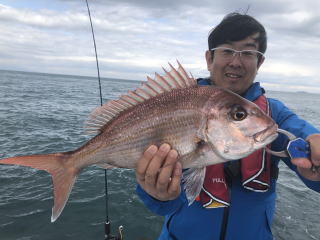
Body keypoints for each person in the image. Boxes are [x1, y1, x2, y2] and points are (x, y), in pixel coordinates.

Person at [135, 13, 320, 240]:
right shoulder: (175, 100)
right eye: (227, 50)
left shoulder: (274, 115)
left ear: (260, 62)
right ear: (209, 58)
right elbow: (162, 208)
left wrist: (316, 165)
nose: (236, 61)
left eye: (248, 52)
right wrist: (158, 196)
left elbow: (305, 135)